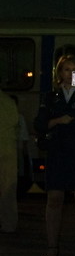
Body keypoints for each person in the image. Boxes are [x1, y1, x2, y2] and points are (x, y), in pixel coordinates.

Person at [34, 54, 75, 256]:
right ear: (59, 73)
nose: (70, 74)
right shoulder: (51, 96)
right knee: (54, 198)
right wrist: (58, 121)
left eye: (74, 70)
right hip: (57, 151)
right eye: (66, 70)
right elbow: (40, 124)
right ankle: (52, 247)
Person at [0, 88, 20, 234]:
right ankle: (8, 224)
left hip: (5, 150)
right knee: (7, 190)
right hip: (8, 151)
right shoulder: (8, 102)